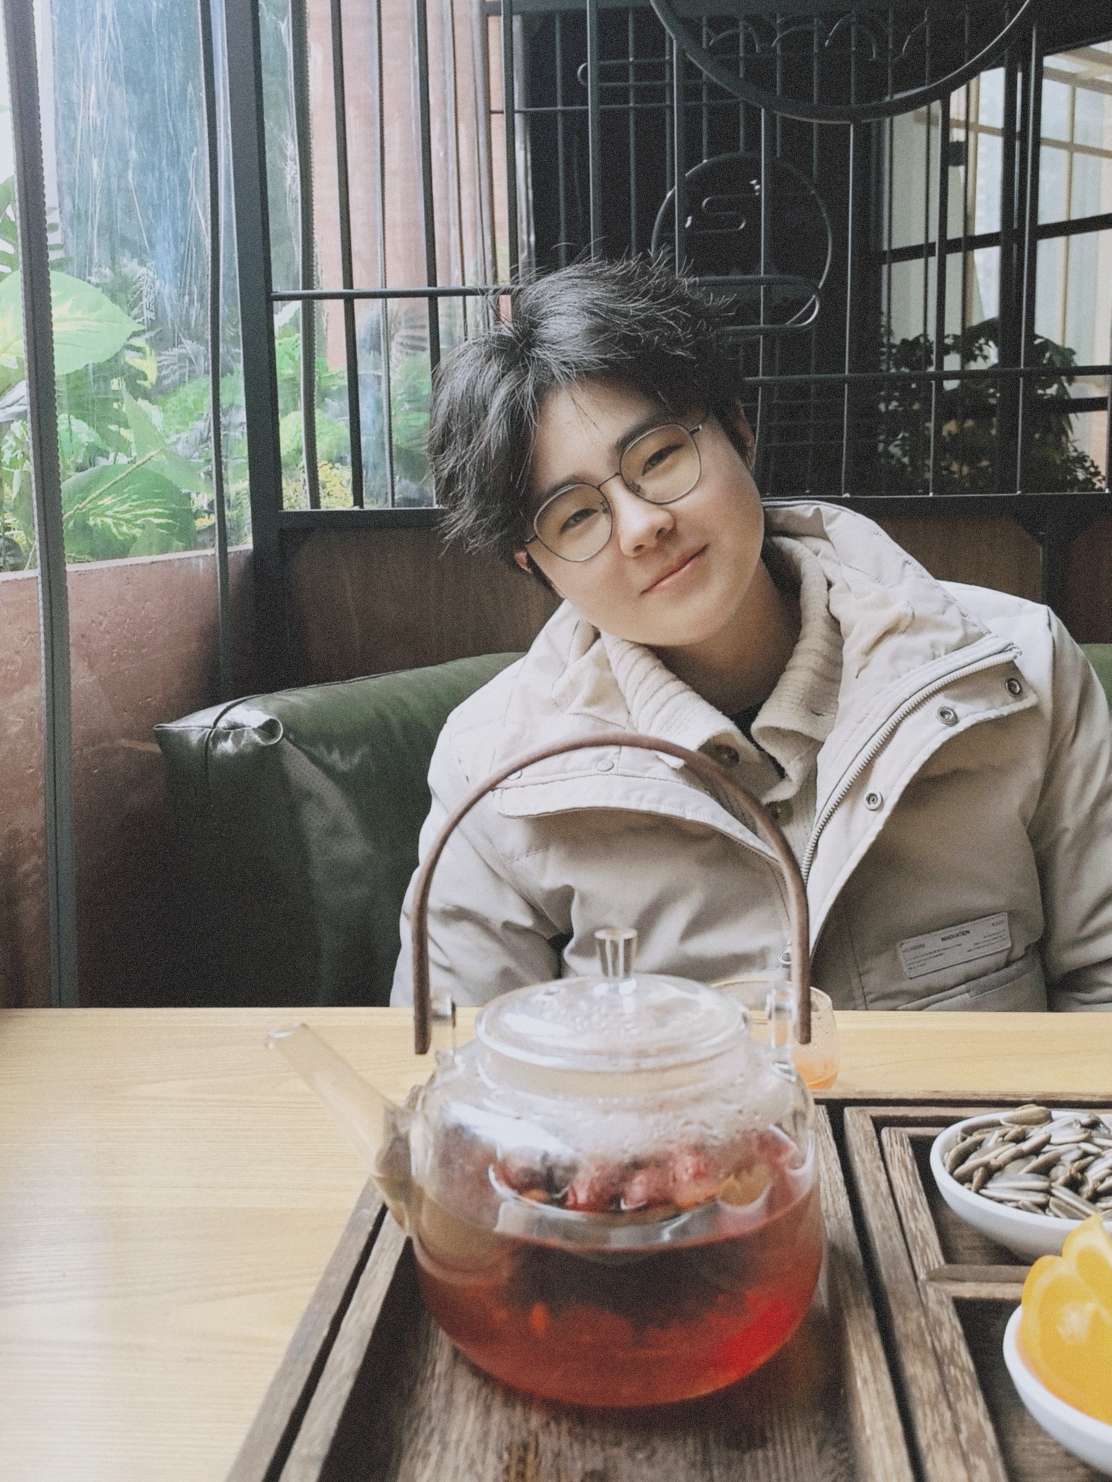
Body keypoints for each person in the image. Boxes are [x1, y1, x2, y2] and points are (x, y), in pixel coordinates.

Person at [391, 254, 1112, 1012]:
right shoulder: (492, 770)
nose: (641, 526)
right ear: (535, 567)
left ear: (738, 428)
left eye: (658, 457)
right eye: (574, 518)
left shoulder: (1018, 665)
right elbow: (460, 1056)